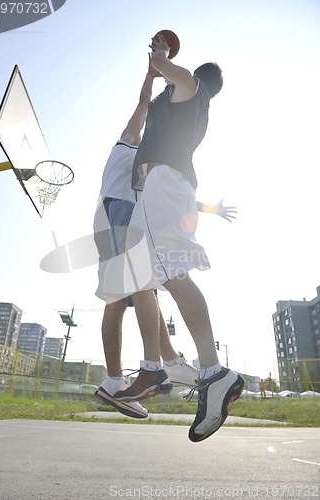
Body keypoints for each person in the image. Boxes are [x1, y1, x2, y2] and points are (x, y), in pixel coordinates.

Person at [114, 34, 244, 442]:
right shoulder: (175, 101)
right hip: (161, 187)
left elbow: (169, 71)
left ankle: (213, 371)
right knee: (145, 279)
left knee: (172, 274)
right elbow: (151, 86)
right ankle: (157, 366)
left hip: (164, 183)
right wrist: (154, 67)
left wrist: (162, 53)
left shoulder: (190, 86)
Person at [93, 55, 199, 420]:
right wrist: (152, 75)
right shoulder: (127, 144)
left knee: (117, 299)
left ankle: (112, 382)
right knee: (145, 284)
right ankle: (164, 363)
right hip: (120, 210)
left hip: (109, 217)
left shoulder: (147, 164)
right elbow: (142, 105)